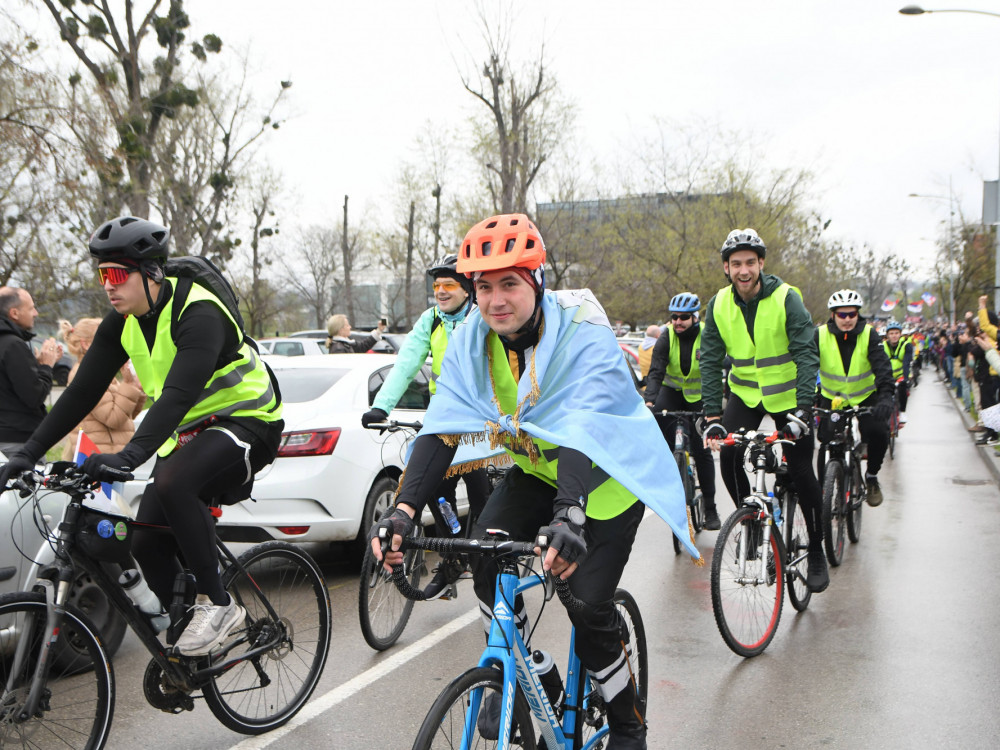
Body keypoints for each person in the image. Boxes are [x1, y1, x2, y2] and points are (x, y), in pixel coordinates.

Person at [370, 213, 697, 749]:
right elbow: (443, 428)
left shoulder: (581, 325)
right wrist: (403, 511)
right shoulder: (472, 337)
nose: (496, 300)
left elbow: (584, 426)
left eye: (510, 284)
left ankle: (627, 722)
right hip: (536, 470)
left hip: (604, 476)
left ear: (537, 282)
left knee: (588, 603)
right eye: (484, 287)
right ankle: (527, 674)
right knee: (485, 561)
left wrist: (570, 514)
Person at [0, 216, 284, 656]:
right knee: (147, 540)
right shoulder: (123, 321)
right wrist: (30, 453)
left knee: (175, 484)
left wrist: (129, 456)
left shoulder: (200, 312)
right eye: (102, 275)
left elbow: (174, 397)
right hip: (188, 432)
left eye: (117, 274)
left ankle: (221, 605)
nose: (108, 286)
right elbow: (80, 393)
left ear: (152, 272)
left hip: (248, 419)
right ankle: (190, 639)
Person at [699, 228, 829, 593]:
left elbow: (806, 354)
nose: (744, 270)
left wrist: (804, 409)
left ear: (761, 264)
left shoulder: (787, 298)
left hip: (790, 395)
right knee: (727, 457)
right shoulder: (718, 304)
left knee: (803, 471)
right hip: (745, 394)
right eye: (736, 264)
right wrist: (712, 417)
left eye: (750, 263)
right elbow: (708, 359)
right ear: (726, 267)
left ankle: (816, 548)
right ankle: (752, 519)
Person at [361, 255, 490, 599]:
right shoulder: (430, 320)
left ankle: (485, 556)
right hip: (443, 415)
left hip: (480, 420)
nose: (441, 292)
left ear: (467, 289)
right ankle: (453, 556)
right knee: (433, 487)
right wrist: (380, 406)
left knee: (482, 494)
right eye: (436, 287)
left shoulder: (481, 317)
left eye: (449, 285)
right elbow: (406, 364)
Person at [643, 292, 720, 530]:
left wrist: (711, 408)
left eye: (684, 317)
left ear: (695, 318)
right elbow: (656, 371)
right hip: (673, 392)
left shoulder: (707, 335)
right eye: (674, 317)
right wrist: (649, 401)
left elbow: (711, 373)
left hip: (699, 397)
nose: (678, 322)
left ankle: (710, 508)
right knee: (658, 424)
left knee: (701, 449)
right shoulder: (666, 337)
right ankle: (671, 475)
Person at [815, 290, 895, 507]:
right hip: (833, 399)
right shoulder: (820, 335)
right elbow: (806, 367)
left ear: (858, 315)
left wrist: (886, 397)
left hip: (865, 396)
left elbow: (883, 367)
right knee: (827, 442)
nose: (847, 319)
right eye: (842, 315)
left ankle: (871, 477)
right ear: (833, 316)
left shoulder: (869, 335)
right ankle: (825, 492)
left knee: (879, 432)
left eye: (852, 314)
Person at [58, 317, 146, 459]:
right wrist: (129, 386)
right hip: (97, 457)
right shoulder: (86, 375)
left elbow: (126, 418)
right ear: (85, 344)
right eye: (105, 338)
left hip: (110, 455)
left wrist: (137, 389)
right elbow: (113, 419)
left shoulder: (103, 372)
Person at [0, 286, 63, 456]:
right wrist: (46, 366)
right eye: (31, 308)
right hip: (15, 441)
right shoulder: (12, 345)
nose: (35, 313)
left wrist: (35, 365)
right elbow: (34, 396)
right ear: (14, 313)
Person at [883, 321, 912, 425]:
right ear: (887, 335)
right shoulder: (882, 346)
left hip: (900, 375)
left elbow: (906, 363)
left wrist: (905, 378)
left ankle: (902, 412)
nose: (894, 336)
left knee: (902, 388)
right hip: (887, 375)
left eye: (896, 333)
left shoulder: (906, 345)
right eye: (891, 333)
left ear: (900, 334)